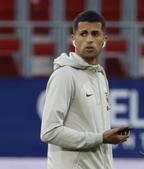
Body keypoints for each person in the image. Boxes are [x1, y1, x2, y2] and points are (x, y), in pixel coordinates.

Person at [40, 10, 131, 169]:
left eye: (95, 34)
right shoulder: (64, 75)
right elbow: (49, 131)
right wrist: (100, 138)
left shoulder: (100, 76)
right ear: (74, 39)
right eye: (83, 34)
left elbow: (96, 133)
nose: (89, 39)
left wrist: (103, 138)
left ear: (104, 40)